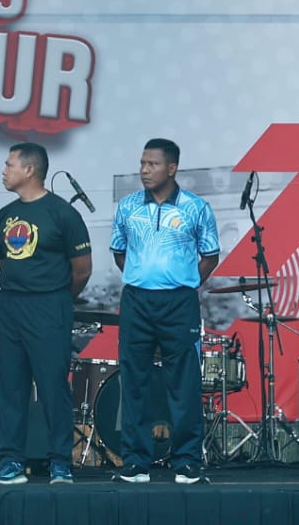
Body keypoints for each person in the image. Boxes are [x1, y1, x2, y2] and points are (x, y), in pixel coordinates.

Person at [110, 138, 220, 485]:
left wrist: (183, 282)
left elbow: (210, 255)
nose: (144, 170)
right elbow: (119, 252)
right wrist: (145, 278)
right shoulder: (128, 207)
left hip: (179, 303)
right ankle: (136, 463)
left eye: (152, 164)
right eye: (142, 163)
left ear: (172, 168)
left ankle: (186, 461)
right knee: (134, 380)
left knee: (184, 382)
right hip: (137, 301)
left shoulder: (196, 208)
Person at [0, 143, 92, 486]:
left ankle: (60, 461)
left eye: (9, 164)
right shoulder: (5, 214)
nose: (4, 171)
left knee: (52, 386)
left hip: (49, 306)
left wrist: (55, 298)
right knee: (10, 387)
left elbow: (82, 270)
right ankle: (11, 461)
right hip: (10, 306)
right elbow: (2, 260)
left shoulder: (62, 213)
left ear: (29, 170)